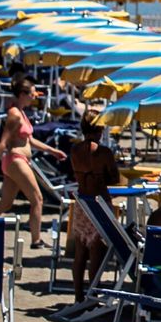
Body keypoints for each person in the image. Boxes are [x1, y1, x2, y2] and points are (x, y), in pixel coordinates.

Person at [0, 76, 68, 247]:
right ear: (22, 94)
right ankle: (36, 240)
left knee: (5, 204)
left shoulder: (21, 113)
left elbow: (29, 141)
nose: (34, 96)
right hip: (16, 160)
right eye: (32, 93)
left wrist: (52, 151)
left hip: (17, 161)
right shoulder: (15, 114)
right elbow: (3, 141)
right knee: (37, 199)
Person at [68, 111, 122, 303]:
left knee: (81, 250)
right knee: (96, 249)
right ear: (99, 128)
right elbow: (114, 178)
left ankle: (78, 295)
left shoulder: (75, 150)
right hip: (99, 202)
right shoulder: (103, 152)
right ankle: (93, 292)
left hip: (83, 202)